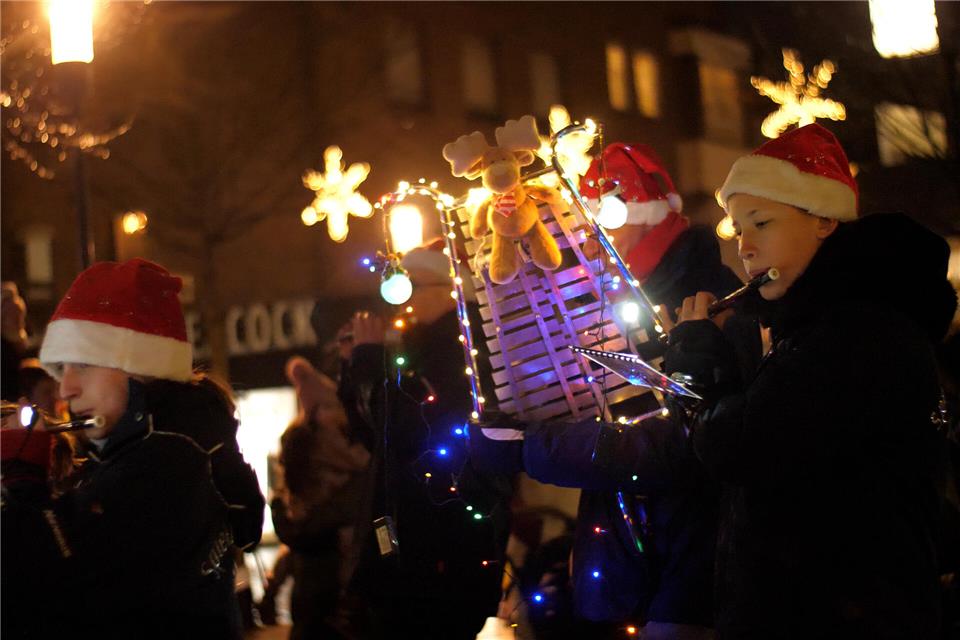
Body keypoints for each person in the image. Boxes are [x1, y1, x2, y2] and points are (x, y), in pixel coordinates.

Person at [664, 124, 956, 638]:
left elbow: (743, 446)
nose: (745, 247)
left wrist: (701, 365)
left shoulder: (857, 331)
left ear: (823, 220)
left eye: (761, 222)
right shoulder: (825, 325)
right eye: (737, 228)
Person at [470, 143, 754, 638]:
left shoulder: (709, 301)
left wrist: (532, 445)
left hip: (690, 574)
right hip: (633, 568)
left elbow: (678, 445)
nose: (592, 233)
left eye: (606, 216)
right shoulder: (604, 302)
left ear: (646, 214)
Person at [2, 258, 264, 639]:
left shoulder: (166, 464)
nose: (66, 389)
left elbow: (43, 578)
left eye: (83, 365)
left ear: (139, 366)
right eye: (62, 371)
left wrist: (22, 477)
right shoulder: (161, 448)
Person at [338, 244, 514, 639]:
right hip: (427, 549)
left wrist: (369, 361)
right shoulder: (423, 351)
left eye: (413, 286)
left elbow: (406, 427)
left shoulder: (458, 352)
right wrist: (356, 369)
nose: (403, 301)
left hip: (438, 551)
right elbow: (376, 440)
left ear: (449, 288)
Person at [270, 355, 371, 639]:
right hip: (337, 549)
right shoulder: (336, 432)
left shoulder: (295, 437)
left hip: (310, 550)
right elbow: (359, 466)